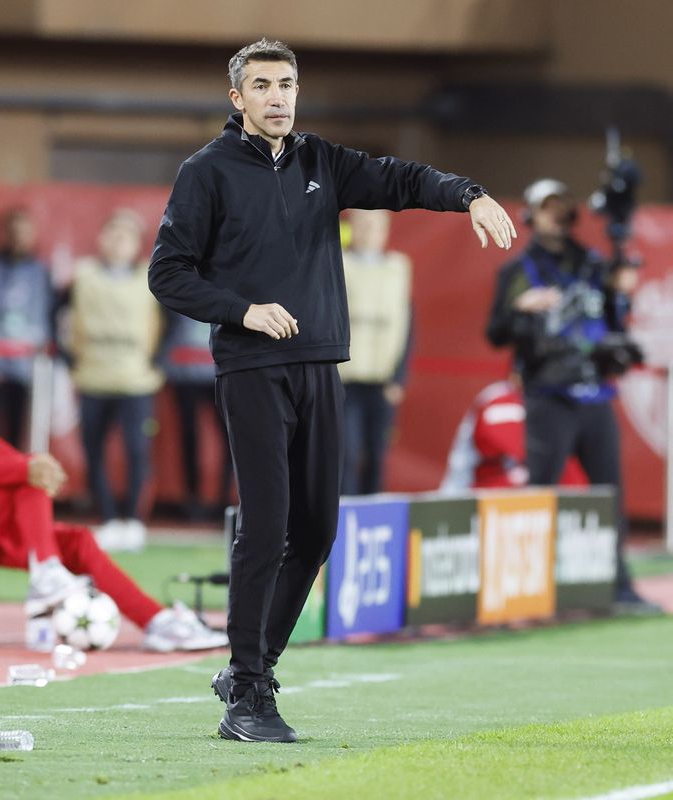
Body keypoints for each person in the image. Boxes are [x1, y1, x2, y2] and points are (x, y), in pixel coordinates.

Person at [149, 37, 515, 743]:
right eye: (262, 86)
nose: (278, 96)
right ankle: (248, 694)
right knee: (264, 527)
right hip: (252, 368)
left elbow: (402, 179)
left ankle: (253, 667)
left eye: (286, 84)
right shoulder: (206, 172)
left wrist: (468, 193)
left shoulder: (322, 161)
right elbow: (167, 273)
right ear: (237, 98)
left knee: (316, 531)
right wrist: (242, 310)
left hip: (321, 364)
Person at [0, 319, 226, 652]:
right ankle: (46, 573)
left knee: (77, 542)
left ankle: (157, 622)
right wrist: (26, 467)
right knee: (23, 476)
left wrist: (28, 464)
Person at [485, 177, 652, 610]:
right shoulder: (518, 270)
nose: (557, 218)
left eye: (563, 208)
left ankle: (619, 586)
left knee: (609, 495)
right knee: (540, 493)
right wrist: (521, 310)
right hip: (548, 393)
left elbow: (615, 323)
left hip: (595, 393)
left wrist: (621, 293)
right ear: (531, 215)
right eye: (548, 208)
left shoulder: (594, 265)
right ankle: (527, 588)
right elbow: (496, 333)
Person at [67, 209, 164, 552]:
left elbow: (175, 317)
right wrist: (68, 355)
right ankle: (107, 519)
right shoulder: (83, 276)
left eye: (126, 236)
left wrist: (159, 359)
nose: (118, 241)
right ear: (102, 238)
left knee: (137, 452)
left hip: (135, 382)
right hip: (93, 377)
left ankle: (134, 522)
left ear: (137, 244)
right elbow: (56, 312)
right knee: (93, 452)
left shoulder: (151, 277)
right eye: (113, 233)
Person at [338, 208, 413, 496]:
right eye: (363, 224)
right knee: (346, 451)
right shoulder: (338, 263)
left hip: (382, 380)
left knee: (377, 453)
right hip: (345, 377)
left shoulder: (398, 267)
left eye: (376, 225)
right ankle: (343, 516)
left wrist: (399, 376)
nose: (369, 231)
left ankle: (371, 515)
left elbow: (407, 322)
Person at [0, 208, 53, 446]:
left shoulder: (41, 271)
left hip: (27, 362)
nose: (20, 237)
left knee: (20, 425)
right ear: (6, 234)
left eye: (25, 231)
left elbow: (48, 314)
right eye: (15, 231)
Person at [440, 378, 589, 491]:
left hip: (545, 497)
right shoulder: (498, 400)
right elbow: (465, 461)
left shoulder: (566, 402)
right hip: (496, 497)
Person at [160, 308, 233, 521]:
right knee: (190, 437)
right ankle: (193, 501)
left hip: (218, 369)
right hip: (187, 370)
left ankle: (221, 501)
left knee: (230, 438)